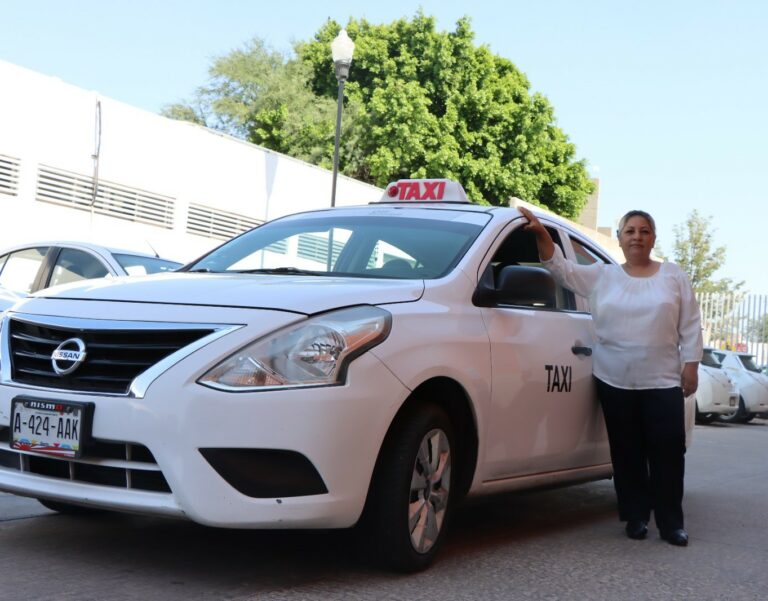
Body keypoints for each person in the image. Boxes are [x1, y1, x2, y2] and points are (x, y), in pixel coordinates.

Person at [518, 206, 703, 547]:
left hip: (662, 380)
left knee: (668, 452)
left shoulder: (673, 276)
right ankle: (635, 517)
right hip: (614, 379)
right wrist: (543, 235)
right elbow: (561, 270)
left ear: (653, 238)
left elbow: (690, 323)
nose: (637, 236)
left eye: (644, 231)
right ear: (619, 239)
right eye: (629, 231)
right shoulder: (603, 276)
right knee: (627, 452)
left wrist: (690, 364)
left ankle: (671, 523)